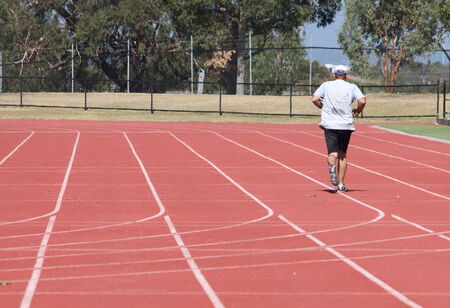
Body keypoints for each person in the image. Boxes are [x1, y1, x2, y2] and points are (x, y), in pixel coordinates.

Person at [311, 65, 366, 192]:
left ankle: (331, 165)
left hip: (330, 124)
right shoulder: (352, 87)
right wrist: (357, 110)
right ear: (346, 75)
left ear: (334, 74)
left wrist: (321, 106)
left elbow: (314, 99)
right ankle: (341, 184)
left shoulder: (326, 85)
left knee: (332, 153)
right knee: (343, 155)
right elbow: (362, 101)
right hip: (346, 125)